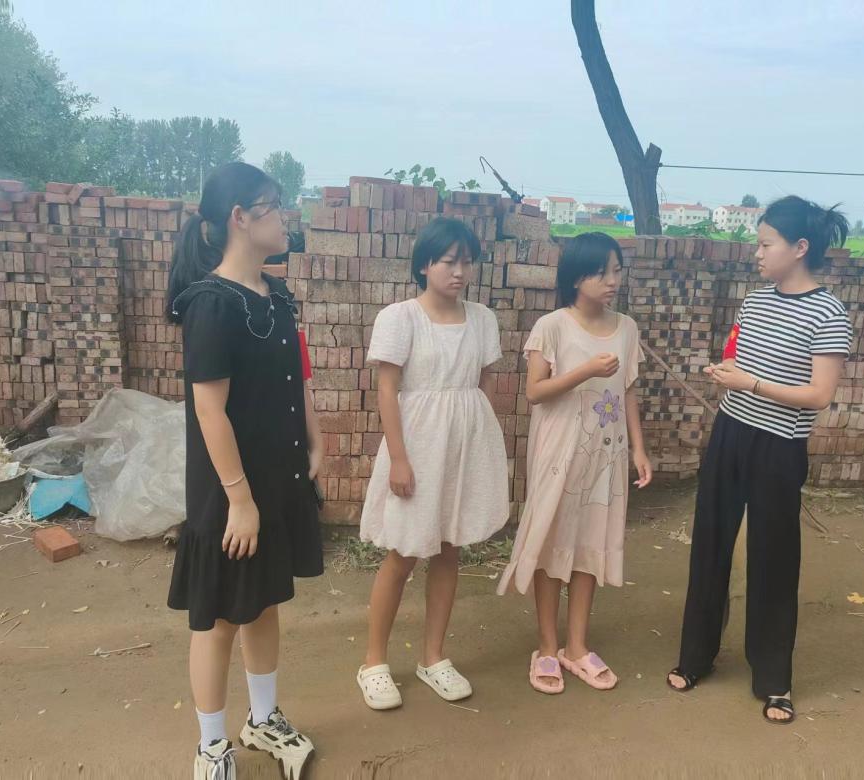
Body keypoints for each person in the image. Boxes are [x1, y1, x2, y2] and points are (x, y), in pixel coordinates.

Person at [666, 195, 853, 725]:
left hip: (779, 447)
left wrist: (750, 383)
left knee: (773, 557)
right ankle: (695, 656)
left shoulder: (828, 312)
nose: (758, 253)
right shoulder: (755, 302)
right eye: (759, 243)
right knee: (710, 543)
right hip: (730, 432)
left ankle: (774, 679)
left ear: (800, 247)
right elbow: (738, 357)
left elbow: (819, 395)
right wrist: (726, 374)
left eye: (766, 244)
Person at [167, 162, 323, 778]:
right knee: (220, 619)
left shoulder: (276, 294)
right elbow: (209, 410)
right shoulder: (210, 305)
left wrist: (315, 436)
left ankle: (263, 719)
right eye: (274, 206)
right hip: (229, 491)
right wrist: (240, 500)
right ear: (240, 217)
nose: (285, 218)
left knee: (263, 602)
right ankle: (211, 747)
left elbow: (296, 372)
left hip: (276, 476)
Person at [356, 217, 510, 710]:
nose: (459, 271)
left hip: (463, 448)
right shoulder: (400, 317)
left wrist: (480, 440)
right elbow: (387, 390)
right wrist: (399, 458)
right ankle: (374, 663)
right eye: (448, 262)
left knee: (448, 549)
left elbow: (486, 382)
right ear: (424, 265)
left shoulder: (482, 319)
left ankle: (433, 657)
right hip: (417, 446)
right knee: (403, 553)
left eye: (467, 262)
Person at [498, 231, 652, 694]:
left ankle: (577, 646)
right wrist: (585, 371)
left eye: (617, 271)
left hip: (606, 454)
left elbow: (628, 391)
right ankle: (547, 647)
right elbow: (535, 392)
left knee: (590, 545)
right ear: (576, 277)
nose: (612, 281)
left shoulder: (627, 328)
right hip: (559, 453)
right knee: (553, 544)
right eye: (601, 272)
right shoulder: (552, 327)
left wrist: (639, 449)